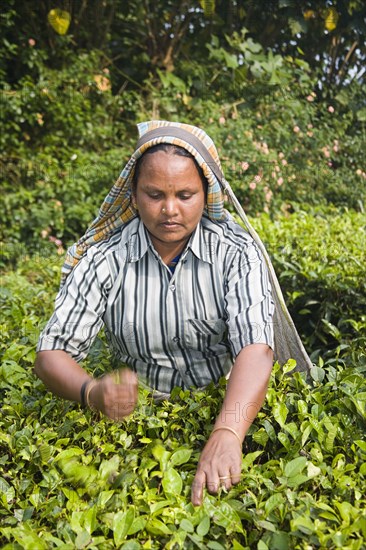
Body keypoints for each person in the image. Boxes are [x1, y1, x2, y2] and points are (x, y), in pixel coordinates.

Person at [35, 120, 312, 506]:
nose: (169, 209)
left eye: (185, 194)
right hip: (138, 417)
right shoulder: (105, 259)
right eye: (154, 194)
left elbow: (256, 348)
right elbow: (52, 353)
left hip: (225, 402)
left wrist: (228, 433)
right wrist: (92, 391)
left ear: (205, 194)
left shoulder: (236, 252)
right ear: (133, 195)